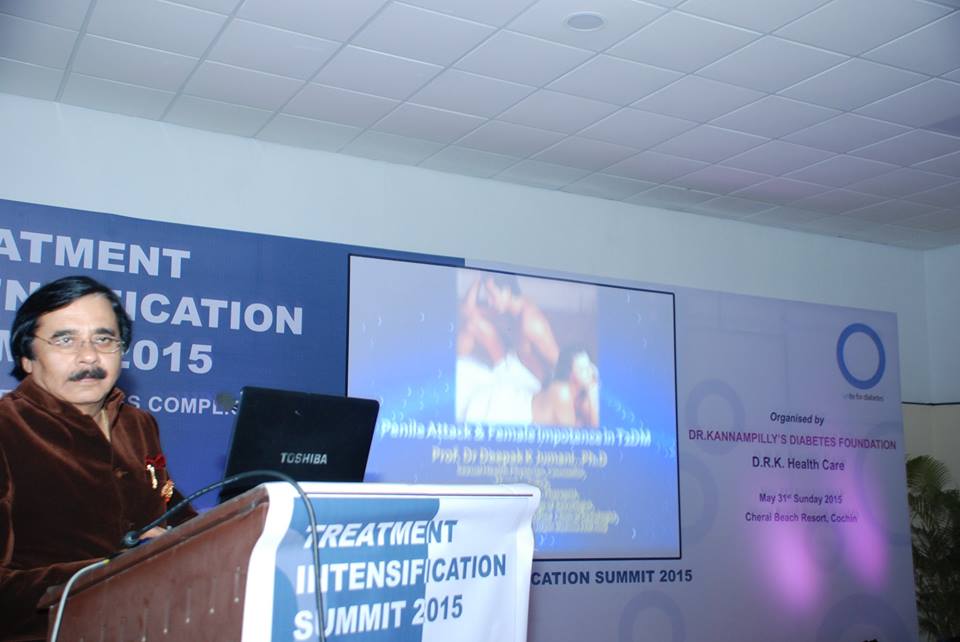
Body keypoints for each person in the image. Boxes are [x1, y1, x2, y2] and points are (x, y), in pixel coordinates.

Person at [0, 276, 196, 641]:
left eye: (104, 339)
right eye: (65, 340)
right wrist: (120, 569)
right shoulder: (8, 430)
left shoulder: (138, 424)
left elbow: (170, 504)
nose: (89, 356)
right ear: (27, 357)